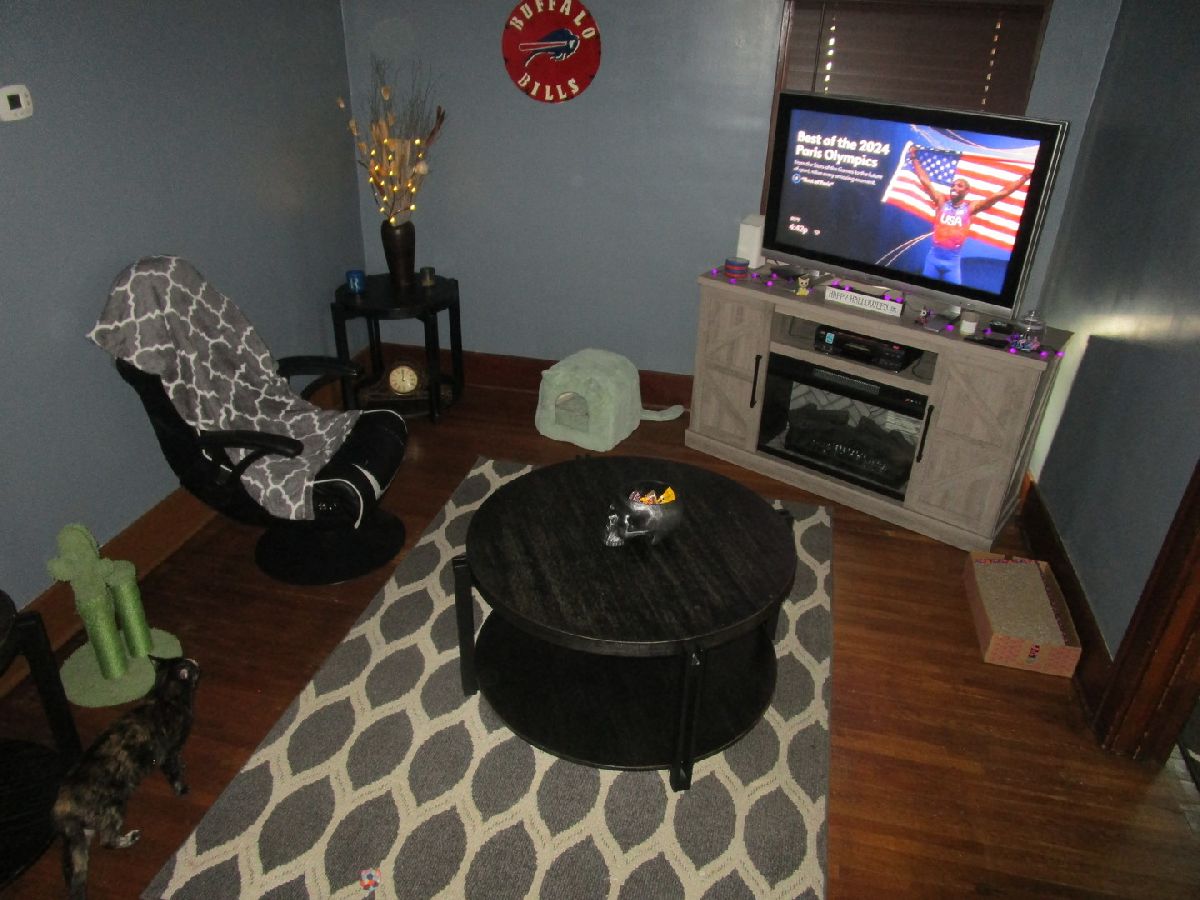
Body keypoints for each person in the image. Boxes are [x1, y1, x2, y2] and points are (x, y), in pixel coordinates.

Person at [907, 145, 1030, 284]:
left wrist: (1025, 177)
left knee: (952, 296)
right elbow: (925, 181)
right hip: (932, 261)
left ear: (967, 191)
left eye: (959, 186)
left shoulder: (970, 208)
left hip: (952, 265)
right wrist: (913, 157)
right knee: (923, 292)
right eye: (953, 185)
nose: (954, 188)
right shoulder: (941, 202)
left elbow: (1001, 194)